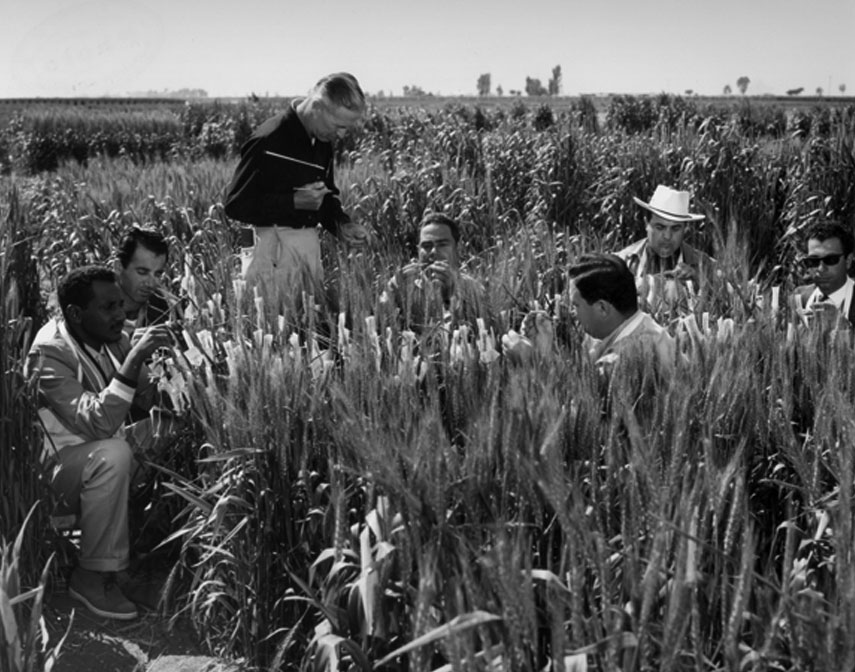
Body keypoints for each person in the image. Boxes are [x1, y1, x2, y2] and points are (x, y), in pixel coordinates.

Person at [26, 266, 176, 620]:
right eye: (108, 308)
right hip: (56, 475)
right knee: (112, 454)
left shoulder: (111, 336)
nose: (120, 315)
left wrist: (183, 378)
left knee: (168, 427)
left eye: (118, 305)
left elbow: (144, 395)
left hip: (97, 455)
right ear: (76, 314)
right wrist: (136, 356)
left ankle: (129, 560)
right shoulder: (48, 353)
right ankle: (90, 577)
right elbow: (97, 422)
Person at [224, 72, 369, 295]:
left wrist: (342, 225)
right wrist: (292, 202)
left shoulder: (322, 141)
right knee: (269, 327)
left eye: (346, 128)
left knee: (305, 322)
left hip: (306, 247)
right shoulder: (268, 140)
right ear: (318, 106)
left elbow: (325, 196)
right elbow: (236, 205)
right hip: (265, 251)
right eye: (339, 125)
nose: (341, 134)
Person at [567, 253, 676, 371]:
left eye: (575, 305)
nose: (572, 313)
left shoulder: (617, 364)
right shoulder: (652, 330)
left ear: (602, 308)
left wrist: (548, 356)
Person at [382, 213, 486, 331]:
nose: (433, 251)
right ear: (418, 250)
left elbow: (484, 333)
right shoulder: (400, 284)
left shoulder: (473, 289)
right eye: (426, 246)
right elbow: (376, 328)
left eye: (442, 245)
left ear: (457, 248)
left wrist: (450, 294)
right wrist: (394, 294)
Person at [616, 184, 713, 287]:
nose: (667, 236)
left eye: (675, 228)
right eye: (660, 227)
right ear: (646, 224)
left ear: (685, 228)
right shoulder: (622, 262)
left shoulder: (706, 265)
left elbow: (727, 293)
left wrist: (700, 280)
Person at [114, 227, 177, 341]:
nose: (151, 283)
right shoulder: (93, 314)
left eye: (157, 274)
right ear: (118, 267)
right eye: (142, 272)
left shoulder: (169, 308)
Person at [792, 221, 855, 326]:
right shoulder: (800, 297)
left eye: (831, 260)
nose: (821, 268)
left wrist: (844, 327)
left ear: (848, 261)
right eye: (813, 261)